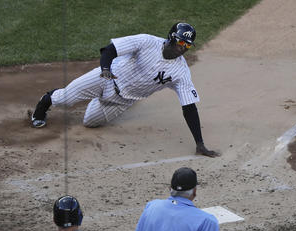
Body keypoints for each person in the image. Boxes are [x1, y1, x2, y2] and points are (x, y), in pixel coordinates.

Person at [30, 22, 219, 157]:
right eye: (180, 42)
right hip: (105, 79)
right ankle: (43, 104)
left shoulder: (181, 71)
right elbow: (109, 50)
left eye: (187, 45)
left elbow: (189, 107)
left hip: (122, 100)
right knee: (65, 99)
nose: (183, 48)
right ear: (171, 37)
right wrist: (105, 69)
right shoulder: (147, 41)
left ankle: (97, 99)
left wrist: (200, 143)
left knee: (89, 122)